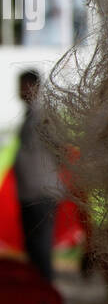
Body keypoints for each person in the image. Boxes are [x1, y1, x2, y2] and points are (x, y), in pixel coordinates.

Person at [13, 69, 59, 282]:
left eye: (23, 85)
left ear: (35, 87)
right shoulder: (29, 116)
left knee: (40, 247)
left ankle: (44, 294)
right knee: (33, 246)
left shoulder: (43, 116)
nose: (20, 91)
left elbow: (59, 149)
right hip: (30, 191)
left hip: (42, 191)